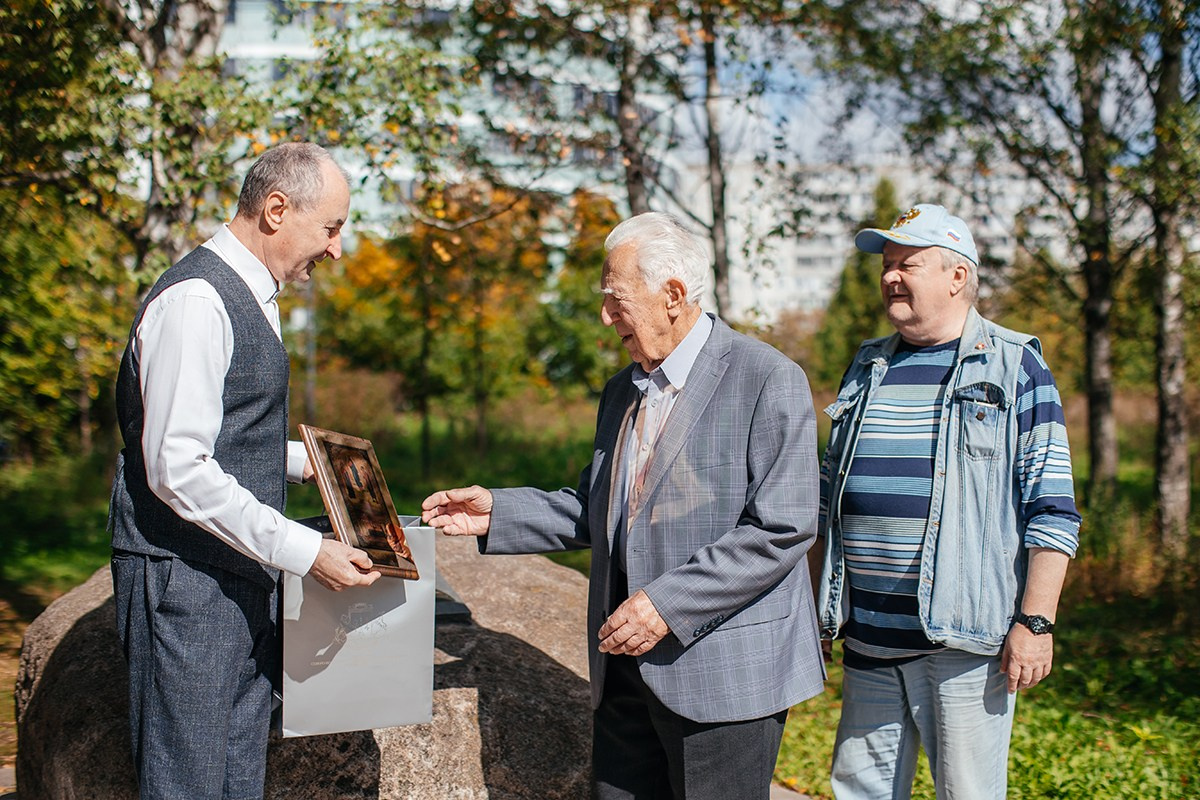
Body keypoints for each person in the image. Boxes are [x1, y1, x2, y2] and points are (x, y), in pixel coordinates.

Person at [422, 211, 826, 800]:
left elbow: (783, 529)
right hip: (622, 673)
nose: (605, 317)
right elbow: (599, 507)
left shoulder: (767, 378)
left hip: (722, 675)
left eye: (616, 300)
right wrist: (496, 513)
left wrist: (666, 604)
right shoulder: (621, 390)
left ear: (673, 295)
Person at [108, 142, 380, 800]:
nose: (337, 249)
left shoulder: (253, 293)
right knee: (188, 781)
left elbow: (217, 433)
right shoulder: (197, 301)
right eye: (332, 227)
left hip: (232, 579)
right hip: (184, 587)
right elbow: (177, 467)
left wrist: (302, 463)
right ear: (276, 209)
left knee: (235, 777)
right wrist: (305, 550)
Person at [810, 203, 1081, 799]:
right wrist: (818, 599)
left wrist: (1036, 622)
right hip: (869, 637)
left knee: (967, 793)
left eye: (907, 263)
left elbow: (1052, 508)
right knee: (860, 792)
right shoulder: (868, 363)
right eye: (886, 265)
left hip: (960, 642)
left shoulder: (1016, 366)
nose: (890, 277)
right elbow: (830, 494)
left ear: (957, 276)